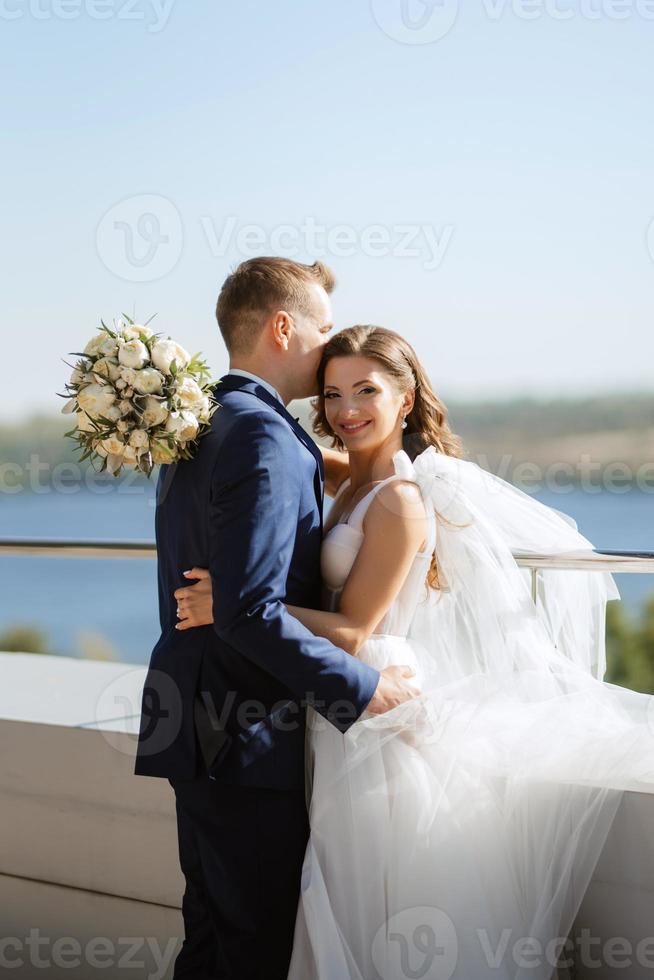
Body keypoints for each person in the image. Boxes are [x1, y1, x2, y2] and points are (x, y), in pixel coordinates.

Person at [177, 323, 654, 980]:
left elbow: (353, 626)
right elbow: (276, 458)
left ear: (405, 398)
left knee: (372, 896)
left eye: (366, 391)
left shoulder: (400, 501)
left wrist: (230, 604)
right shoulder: (348, 477)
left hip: (376, 707)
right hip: (333, 708)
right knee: (335, 888)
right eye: (334, 392)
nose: (346, 411)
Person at [134, 260, 421, 980]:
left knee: (210, 937)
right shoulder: (262, 434)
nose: (328, 344)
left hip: (193, 716)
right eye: (323, 329)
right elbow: (251, 614)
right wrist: (359, 688)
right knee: (254, 948)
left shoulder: (207, 418)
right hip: (242, 731)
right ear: (284, 327)